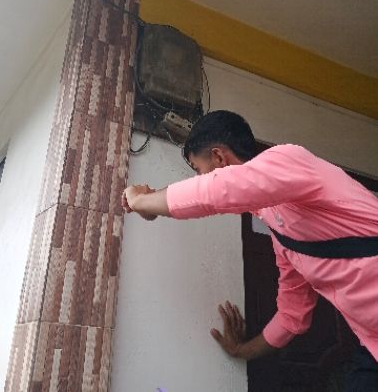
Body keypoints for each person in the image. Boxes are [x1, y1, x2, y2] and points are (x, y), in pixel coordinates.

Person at [122, 110, 378, 391]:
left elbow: (215, 191)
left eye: (198, 170)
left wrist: (140, 202)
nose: (199, 179)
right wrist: (240, 350)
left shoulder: (288, 158)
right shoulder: (284, 237)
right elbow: (293, 315)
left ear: (219, 158)